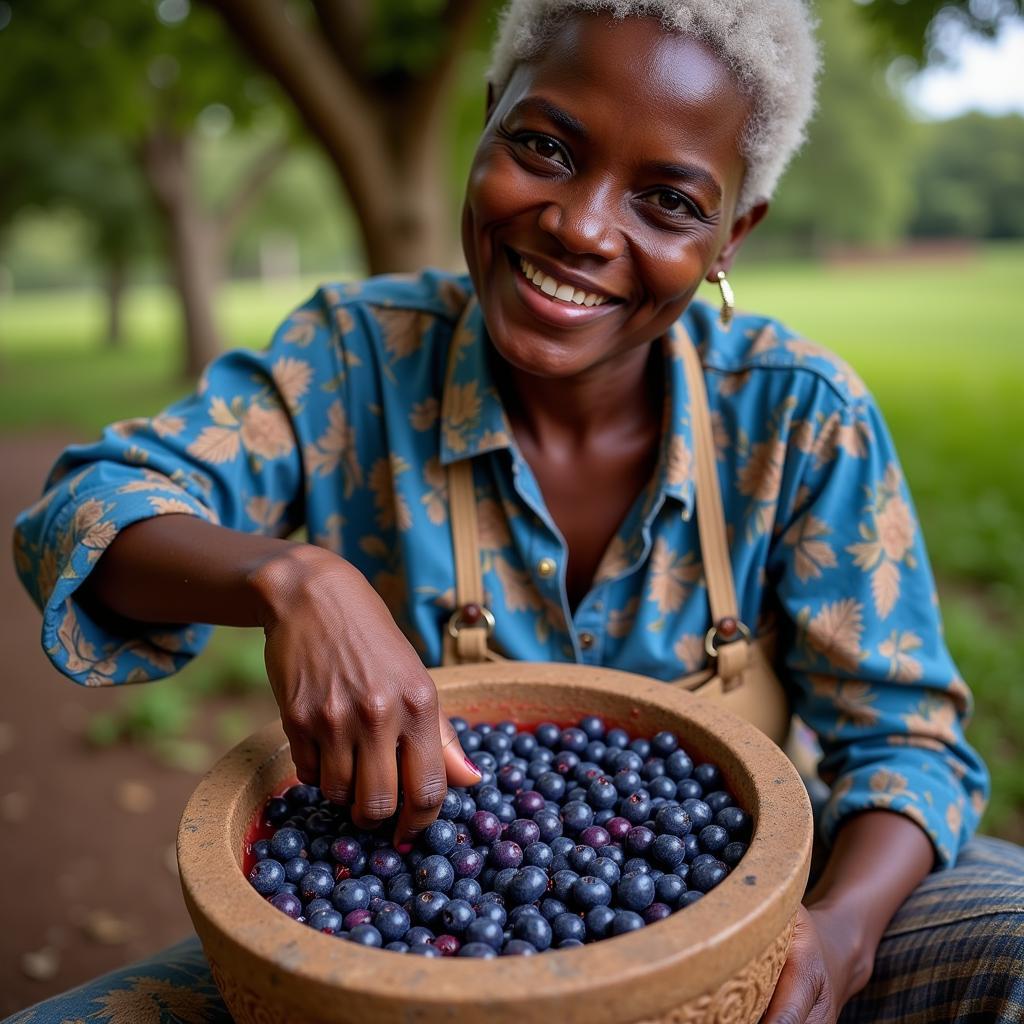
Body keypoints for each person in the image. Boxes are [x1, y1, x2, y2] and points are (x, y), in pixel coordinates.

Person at [9, 2, 1024, 1022]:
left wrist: (840, 931)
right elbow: (86, 510)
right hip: (395, 960)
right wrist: (292, 578)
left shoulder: (794, 415)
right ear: (490, 118)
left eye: (668, 201)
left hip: (743, 926)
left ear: (732, 236)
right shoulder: (352, 361)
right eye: (544, 147)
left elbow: (905, 743)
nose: (581, 227)